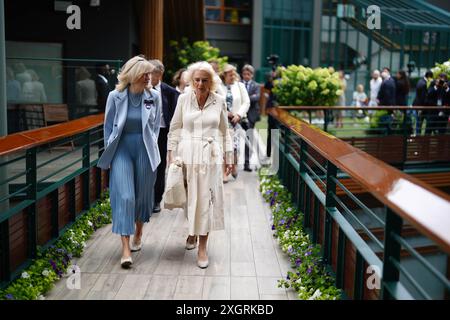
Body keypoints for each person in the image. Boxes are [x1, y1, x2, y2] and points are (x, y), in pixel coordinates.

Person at [97, 56, 161, 269]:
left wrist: (153, 149)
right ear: (133, 75)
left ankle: (139, 232)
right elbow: (107, 127)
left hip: (144, 149)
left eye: (150, 74)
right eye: (145, 74)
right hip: (122, 149)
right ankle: (125, 250)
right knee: (125, 196)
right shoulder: (115, 96)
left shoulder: (154, 96)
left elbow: (155, 128)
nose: (148, 77)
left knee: (142, 196)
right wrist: (111, 151)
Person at [167, 61, 233, 268]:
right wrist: (171, 154)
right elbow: (175, 128)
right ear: (190, 80)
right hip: (187, 155)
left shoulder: (219, 101)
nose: (200, 84)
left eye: (205, 80)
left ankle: (202, 247)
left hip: (210, 156)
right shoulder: (183, 99)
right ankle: (192, 231)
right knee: (189, 200)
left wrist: (229, 158)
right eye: (197, 80)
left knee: (205, 201)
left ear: (211, 81)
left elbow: (224, 131)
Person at [148, 59, 180, 213]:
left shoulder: (170, 92)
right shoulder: (141, 89)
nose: (147, 76)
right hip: (145, 133)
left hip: (162, 133)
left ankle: (156, 200)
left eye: (151, 73)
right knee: (145, 166)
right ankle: (144, 198)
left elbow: (175, 117)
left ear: (159, 74)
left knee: (160, 167)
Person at [220, 63, 250, 182]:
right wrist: (225, 112)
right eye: (230, 74)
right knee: (224, 147)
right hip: (223, 120)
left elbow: (246, 102)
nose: (233, 76)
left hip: (236, 121)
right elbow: (216, 101)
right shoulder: (219, 87)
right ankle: (224, 172)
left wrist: (239, 114)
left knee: (235, 147)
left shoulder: (240, 86)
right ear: (225, 75)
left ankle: (234, 165)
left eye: (234, 74)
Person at [241, 64, 260, 172]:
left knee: (248, 139)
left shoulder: (256, 86)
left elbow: (256, 97)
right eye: (244, 74)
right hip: (239, 115)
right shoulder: (238, 85)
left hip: (251, 115)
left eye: (248, 74)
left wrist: (244, 97)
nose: (246, 76)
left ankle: (246, 163)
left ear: (252, 75)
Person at [413, 70, 433, 134]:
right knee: (420, 123)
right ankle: (419, 138)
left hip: (418, 105)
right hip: (421, 107)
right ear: (429, 77)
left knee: (419, 123)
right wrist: (420, 108)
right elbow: (422, 97)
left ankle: (418, 136)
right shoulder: (424, 84)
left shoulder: (420, 81)